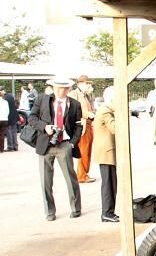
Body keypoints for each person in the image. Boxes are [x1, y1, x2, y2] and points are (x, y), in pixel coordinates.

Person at [28, 77, 83, 221]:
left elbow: (79, 126)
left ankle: (76, 208)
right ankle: (49, 211)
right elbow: (31, 118)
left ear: (69, 89)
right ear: (53, 87)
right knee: (45, 181)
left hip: (64, 144)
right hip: (45, 145)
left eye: (64, 88)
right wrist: (44, 127)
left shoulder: (75, 104)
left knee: (71, 179)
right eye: (57, 88)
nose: (60, 91)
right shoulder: (42, 100)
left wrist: (72, 143)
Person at [93, 86, 119, 222]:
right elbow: (115, 128)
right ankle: (107, 212)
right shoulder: (105, 111)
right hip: (106, 152)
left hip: (108, 151)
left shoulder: (108, 110)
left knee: (112, 182)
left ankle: (109, 211)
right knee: (108, 183)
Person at [69, 75, 96, 182]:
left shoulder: (86, 95)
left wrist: (90, 93)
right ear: (79, 84)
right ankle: (81, 175)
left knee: (88, 150)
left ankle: (85, 173)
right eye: (87, 83)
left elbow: (92, 106)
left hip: (89, 125)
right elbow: (74, 110)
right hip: (82, 125)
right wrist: (87, 114)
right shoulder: (74, 94)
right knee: (83, 151)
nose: (89, 85)